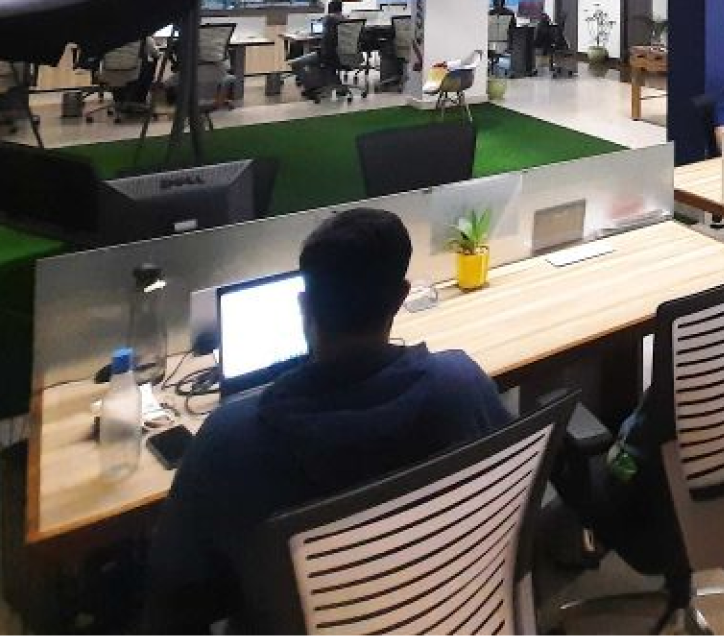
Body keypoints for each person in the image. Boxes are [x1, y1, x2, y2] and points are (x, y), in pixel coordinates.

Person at [143, 208, 511, 635]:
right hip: (448, 616)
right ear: (400, 298)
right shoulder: (461, 384)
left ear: (304, 304)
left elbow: (171, 598)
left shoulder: (229, 438)